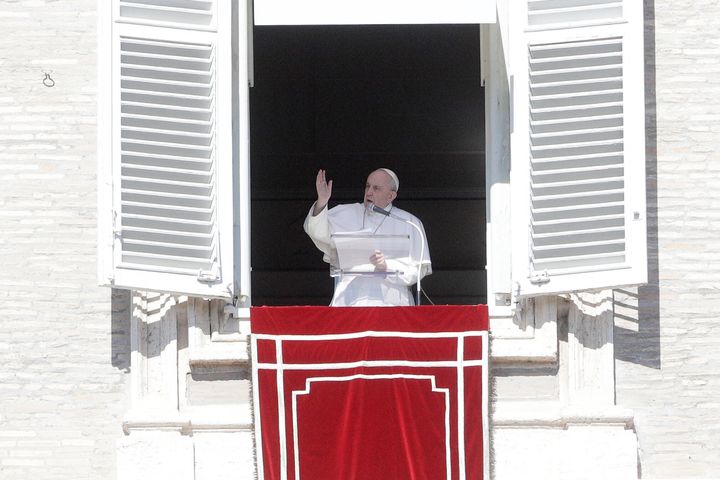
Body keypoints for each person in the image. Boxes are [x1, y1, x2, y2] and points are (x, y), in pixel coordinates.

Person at [304, 168, 431, 306]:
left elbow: (418, 270)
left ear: (391, 196)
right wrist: (322, 202)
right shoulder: (347, 212)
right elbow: (316, 231)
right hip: (351, 301)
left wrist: (386, 266)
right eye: (367, 186)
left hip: (392, 303)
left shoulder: (410, 223)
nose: (369, 192)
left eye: (376, 188)